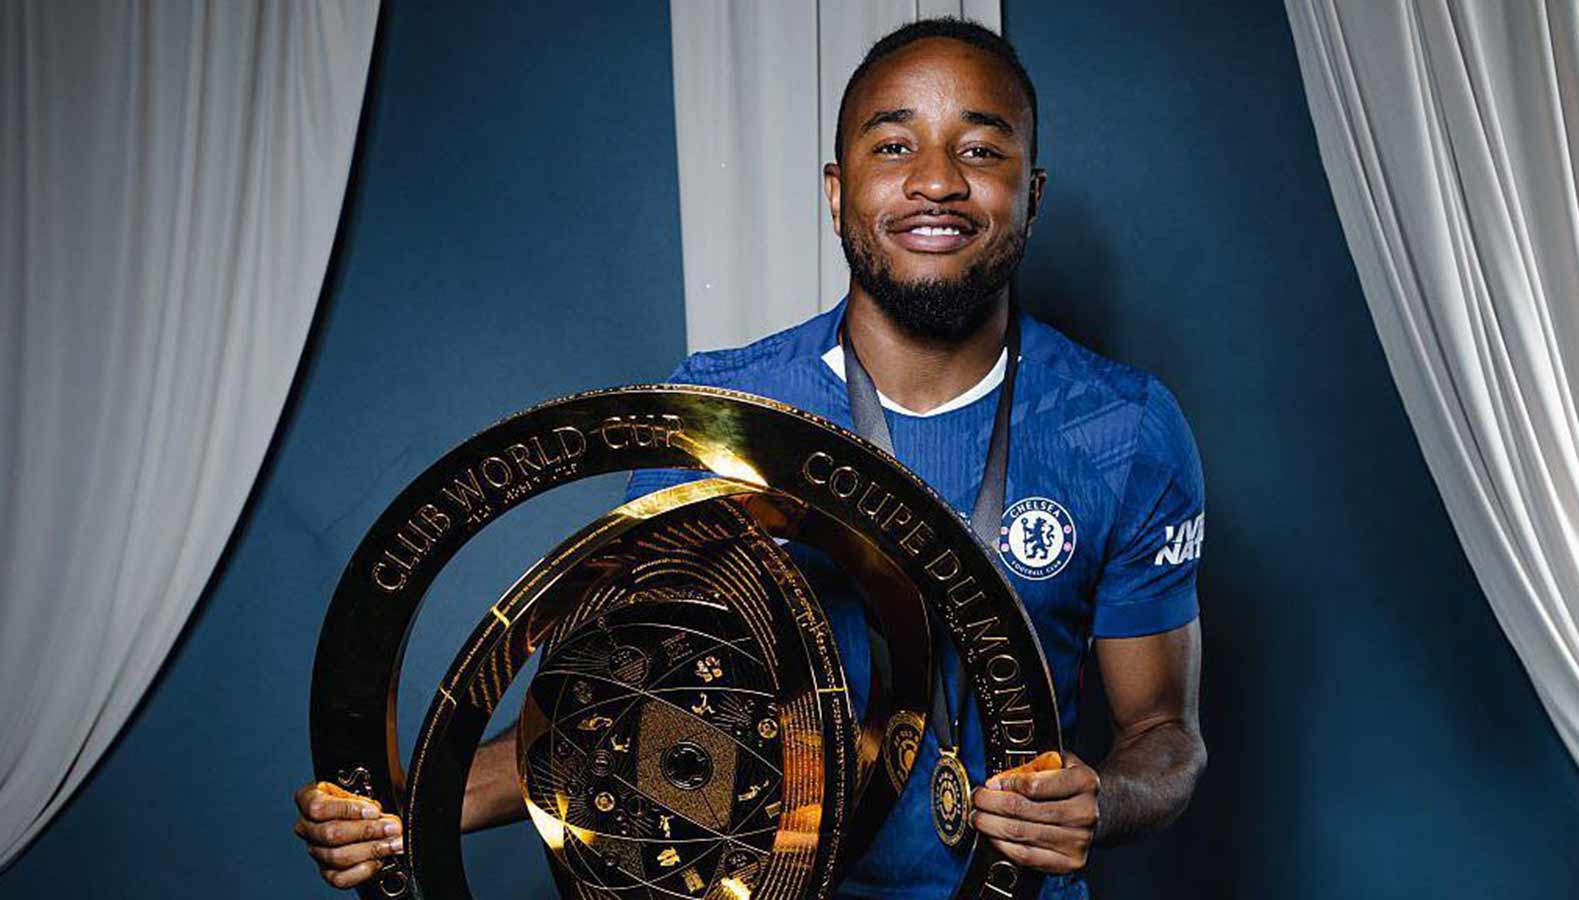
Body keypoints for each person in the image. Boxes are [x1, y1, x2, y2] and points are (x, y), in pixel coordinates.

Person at [293, 18, 1205, 899]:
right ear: (836, 191)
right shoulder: (718, 415)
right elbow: (619, 706)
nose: (937, 181)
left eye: (980, 149)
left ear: (1031, 193)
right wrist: (408, 806)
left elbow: (1165, 733)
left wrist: (1103, 799)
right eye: (893, 147)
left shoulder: (1123, 428)